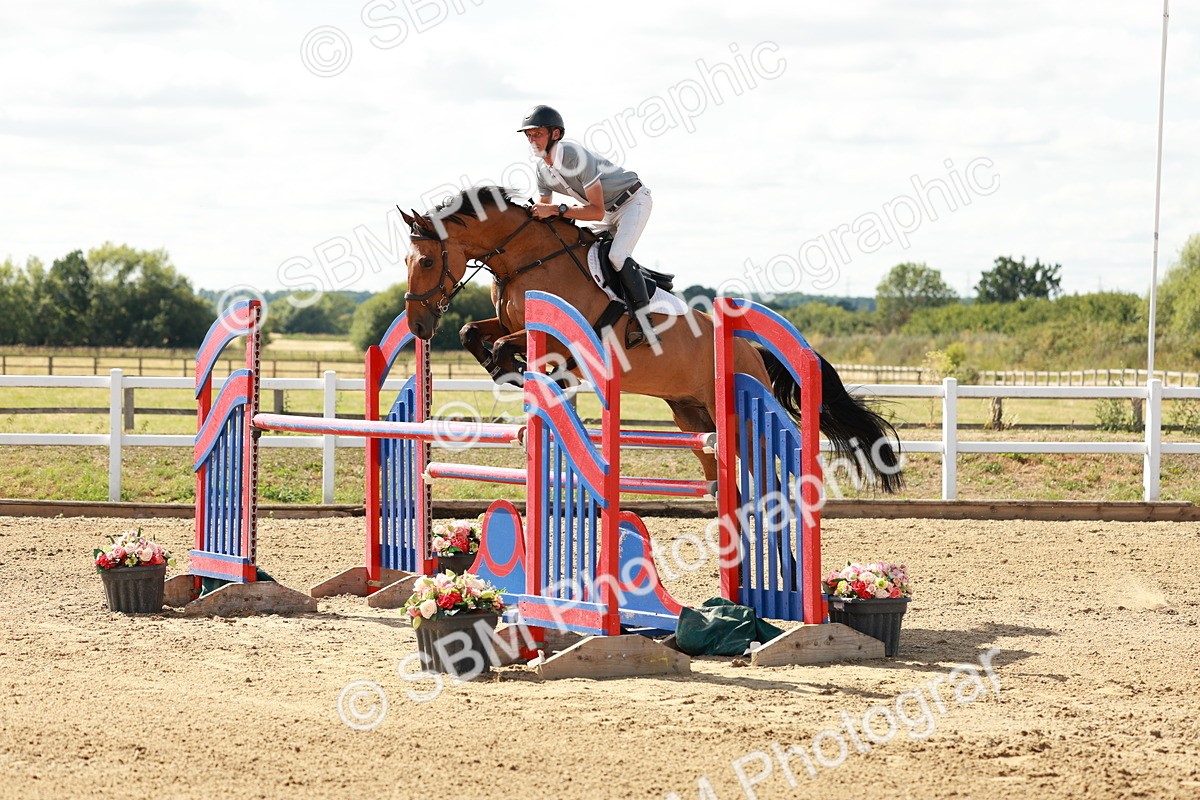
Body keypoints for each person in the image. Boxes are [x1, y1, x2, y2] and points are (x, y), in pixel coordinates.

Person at [518, 104, 655, 344]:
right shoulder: (541, 170)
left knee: (617, 256)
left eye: (537, 133)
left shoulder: (574, 156)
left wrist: (558, 210)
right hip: (606, 213)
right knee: (579, 250)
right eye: (529, 135)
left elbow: (595, 210)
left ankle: (645, 324)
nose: (532, 140)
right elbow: (545, 214)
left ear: (555, 134)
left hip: (633, 202)